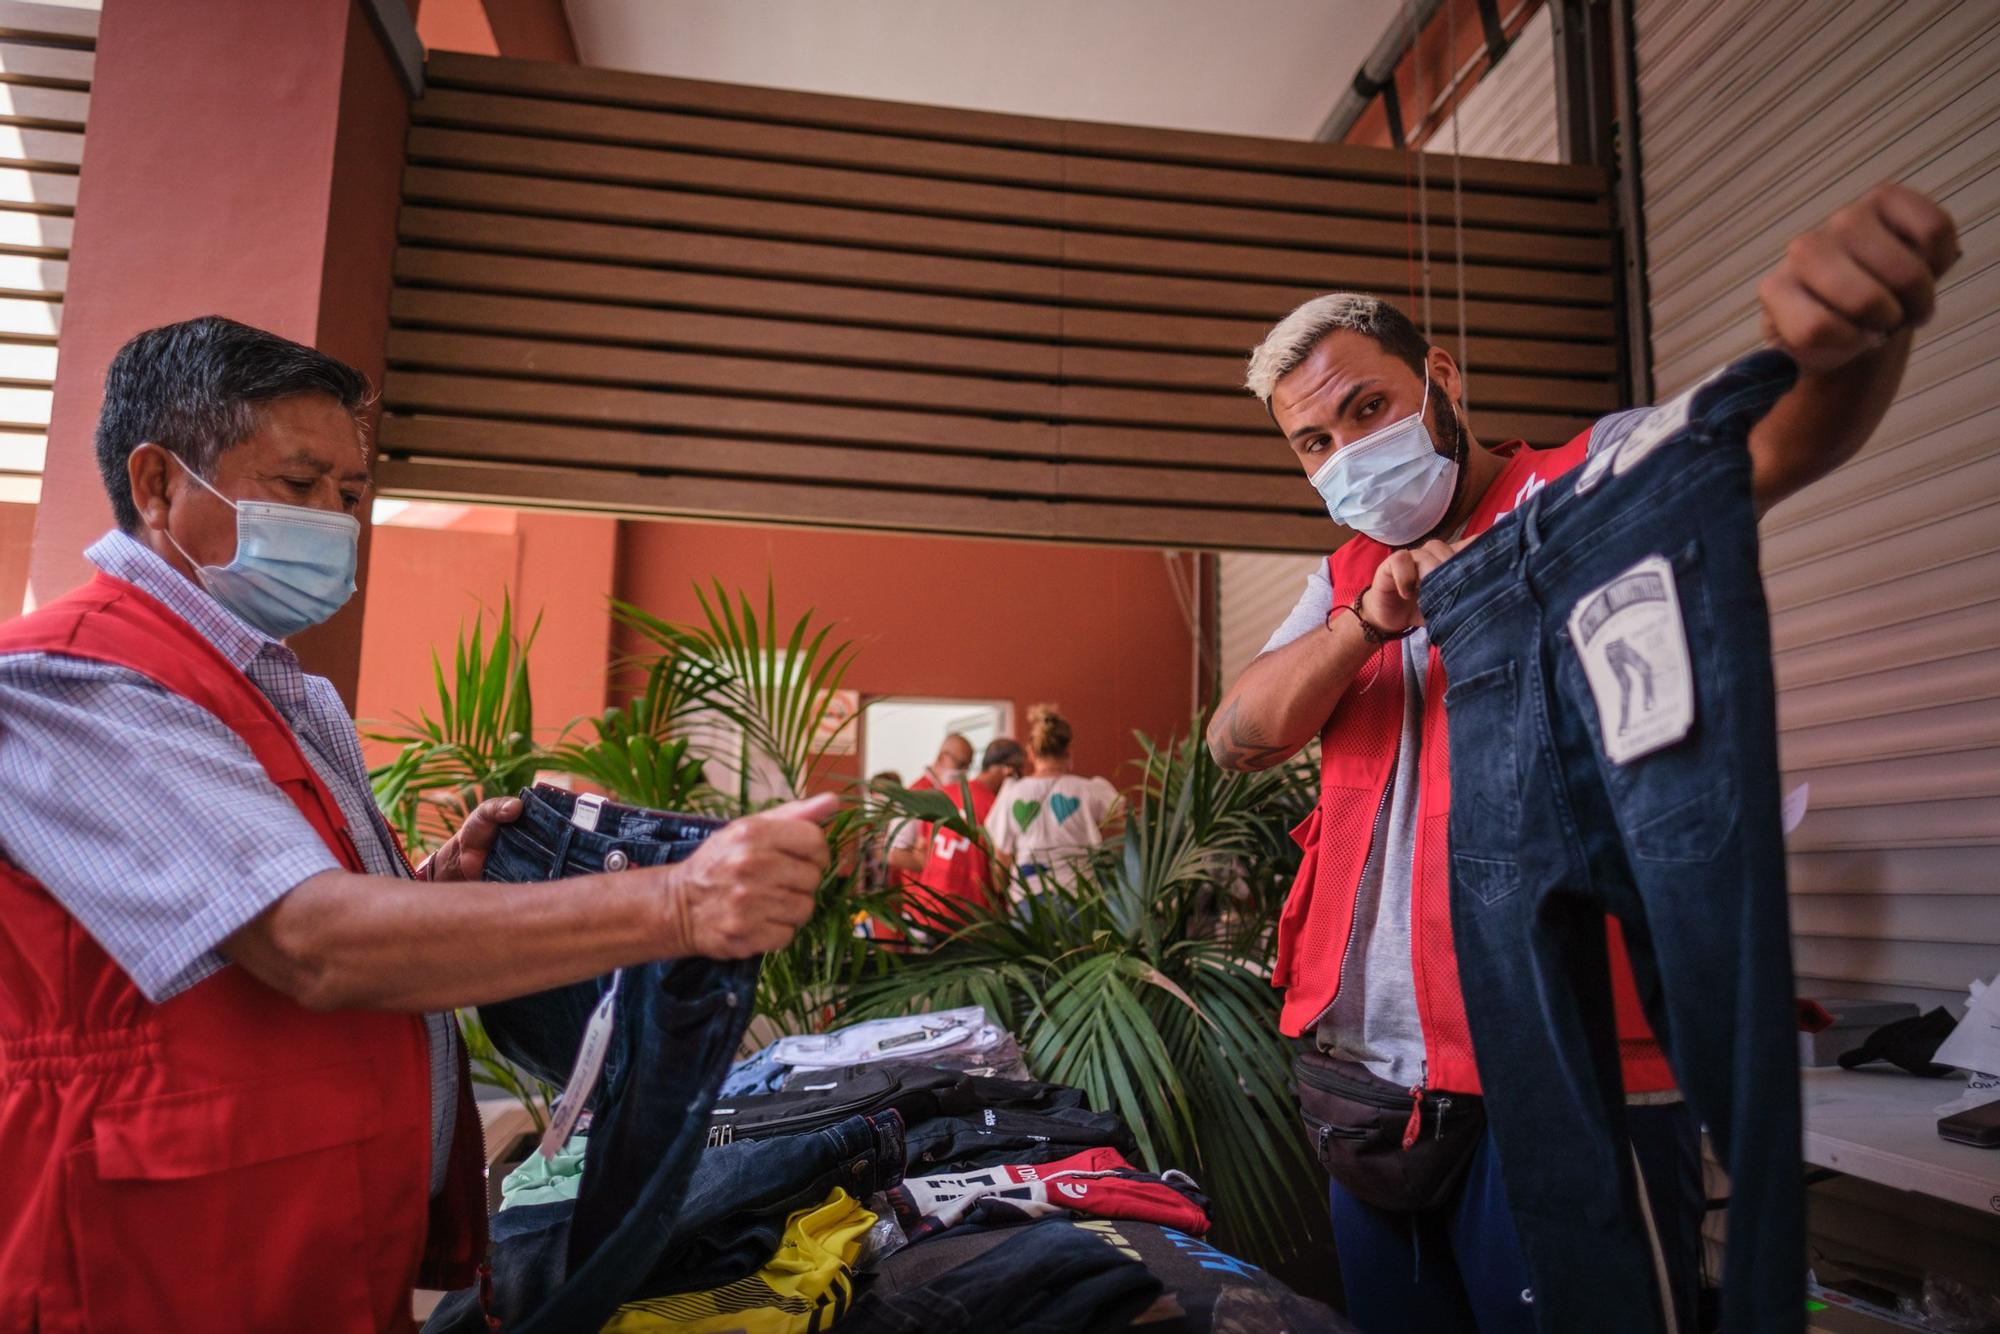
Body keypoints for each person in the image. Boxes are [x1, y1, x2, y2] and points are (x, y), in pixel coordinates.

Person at [1208, 185, 1959, 1334]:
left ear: (1442, 378)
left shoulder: (1577, 485)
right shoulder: (1341, 578)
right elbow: (1238, 734)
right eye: (1315, 439)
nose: (1347, 452)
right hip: (1370, 1089)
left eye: (1368, 408)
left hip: (1568, 1072)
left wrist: (1849, 344)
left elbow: (1757, 444)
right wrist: (1364, 621)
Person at [0, 316, 838, 1331]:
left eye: (348, 494)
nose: (334, 520)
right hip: (157, 1270)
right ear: (157, 483)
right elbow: (311, 942)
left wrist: (426, 894)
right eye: (300, 484)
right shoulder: (74, 679)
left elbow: (263, 922)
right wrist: (678, 898)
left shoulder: (277, 692)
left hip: (303, 1242)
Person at [891, 736, 1027, 934]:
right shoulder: (995, 807)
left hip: (929, 910)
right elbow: (999, 877)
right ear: (1009, 771)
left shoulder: (943, 794)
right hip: (969, 918)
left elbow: (923, 848)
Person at [985, 704, 1121, 893]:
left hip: (1029, 900)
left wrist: (999, 893)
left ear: (1030, 753)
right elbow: (1126, 822)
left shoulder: (1011, 794)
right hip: (1079, 896)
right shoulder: (1090, 790)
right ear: (1068, 752)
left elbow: (1002, 856)